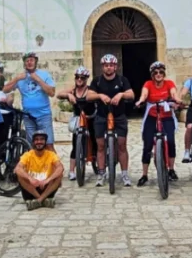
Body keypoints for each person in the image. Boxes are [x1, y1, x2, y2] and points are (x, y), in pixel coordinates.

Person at [86, 54, 136, 187]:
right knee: (101, 146)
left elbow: (131, 94)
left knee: (122, 145)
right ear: (103, 67)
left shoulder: (122, 80)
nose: (109, 68)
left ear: (115, 67)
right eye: (106, 65)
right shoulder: (97, 81)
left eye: (111, 65)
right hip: (102, 116)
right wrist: (100, 95)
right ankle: (101, 173)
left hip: (119, 116)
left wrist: (121, 94)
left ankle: (124, 174)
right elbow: (88, 96)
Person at [135, 61, 181, 186]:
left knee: (170, 141)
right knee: (148, 144)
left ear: (164, 73)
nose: (158, 74)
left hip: (166, 116)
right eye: (156, 72)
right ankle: (144, 174)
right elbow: (144, 94)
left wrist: (176, 99)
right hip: (152, 115)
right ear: (152, 74)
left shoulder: (169, 83)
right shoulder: (148, 84)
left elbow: (173, 93)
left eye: (161, 72)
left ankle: (171, 169)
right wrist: (140, 101)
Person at [3, 51, 56, 150]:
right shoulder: (20, 77)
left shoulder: (44, 75)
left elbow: (52, 93)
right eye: (27, 61)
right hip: (28, 117)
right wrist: (16, 79)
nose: (29, 62)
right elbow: (5, 89)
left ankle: (56, 165)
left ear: (36, 62)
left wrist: (38, 80)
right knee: (32, 145)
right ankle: (34, 165)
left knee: (48, 145)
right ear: (24, 63)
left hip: (43, 115)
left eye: (31, 60)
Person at [57, 66, 97, 181]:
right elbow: (59, 94)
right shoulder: (73, 90)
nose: (79, 80)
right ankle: (72, 171)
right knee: (75, 143)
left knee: (95, 140)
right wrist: (68, 95)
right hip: (79, 120)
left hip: (91, 118)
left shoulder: (90, 90)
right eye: (77, 77)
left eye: (82, 78)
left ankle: (98, 163)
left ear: (86, 79)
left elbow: (97, 96)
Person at [15, 129, 64, 209]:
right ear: (33, 142)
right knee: (20, 176)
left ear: (45, 141)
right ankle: (43, 200)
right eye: (37, 140)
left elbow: (60, 167)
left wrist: (47, 180)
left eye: (42, 139)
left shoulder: (51, 154)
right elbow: (17, 168)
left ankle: (39, 201)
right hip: (31, 189)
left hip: (46, 188)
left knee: (59, 175)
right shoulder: (28, 155)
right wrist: (30, 178)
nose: (39, 142)